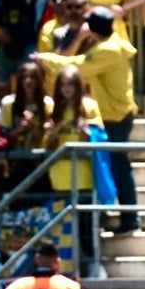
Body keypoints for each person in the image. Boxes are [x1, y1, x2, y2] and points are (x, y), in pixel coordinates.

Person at [35, 6, 140, 235]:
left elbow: (77, 67)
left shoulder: (107, 50)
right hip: (113, 113)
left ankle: (130, 218)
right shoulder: (111, 42)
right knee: (112, 165)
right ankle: (117, 214)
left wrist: (45, 59)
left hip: (115, 116)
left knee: (119, 166)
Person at [43, 64, 99, 268]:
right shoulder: (52, 109)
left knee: (86, 228)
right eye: (63, 85)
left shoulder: (89, 106)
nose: (67, 89)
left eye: (71, 85)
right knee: (61, 230)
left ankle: (91, 266)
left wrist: (84, 132)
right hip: (59, 178)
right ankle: (62, 268)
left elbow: (98, 139)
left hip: (83, 177)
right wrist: (52, 133)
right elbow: (47, 146)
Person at [1, 59, 53, 193]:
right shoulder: (9, 104)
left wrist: (35, 128)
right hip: (15, 165)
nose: (28, 81)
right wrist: (18, 130)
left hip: (40, 164)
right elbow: (2, 136)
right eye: (25, 77)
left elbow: (50, 138)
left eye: (33, 77)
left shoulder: (47, 104)